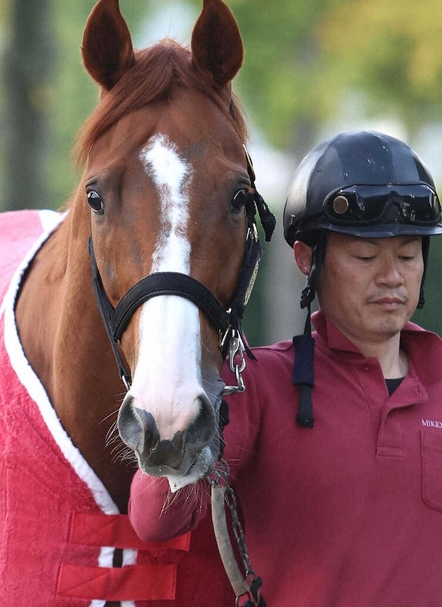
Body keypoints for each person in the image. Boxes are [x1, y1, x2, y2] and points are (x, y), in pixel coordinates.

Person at [127, 130, 442, 607]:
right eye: (365, 255)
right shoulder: (257, 386)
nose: (392, 277)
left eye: (407, 254)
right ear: (306, 259)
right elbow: (154, 520)